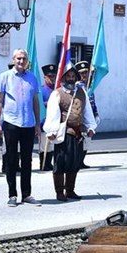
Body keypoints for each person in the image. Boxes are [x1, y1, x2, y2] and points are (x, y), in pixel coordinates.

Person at [0, 49, 42, 207]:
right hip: (11, 123)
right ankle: (12, 194)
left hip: (28, 123)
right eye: (19, 58)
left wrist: (37, 124)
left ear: (27, 60)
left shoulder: (32, 77)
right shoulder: (5, 76)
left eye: (24, 58)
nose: (21, 61)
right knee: (11, 160)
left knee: (27, 160)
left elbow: (35, 101)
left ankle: (27, 194)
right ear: (13, 60)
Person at [43, 63, 97, 201]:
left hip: (78, 133)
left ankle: (70, 190)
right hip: (63, 133)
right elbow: (53, 114)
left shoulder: (81, 93)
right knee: (61, 162)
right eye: (69, 76)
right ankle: (59, 192)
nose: (71, 78)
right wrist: (51, 130)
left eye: (73, 76)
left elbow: (87, 111)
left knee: (74, 163)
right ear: (64, 77)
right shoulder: (57, 94)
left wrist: (91, 127)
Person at [76, 61, 100, 169]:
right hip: (82, 117)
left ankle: (81, 161)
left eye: (86, 72)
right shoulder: (77, 87)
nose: (84, 75)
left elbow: (92, 102)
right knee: (80, 141)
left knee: (87, 141)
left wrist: (96, 113)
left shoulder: (89, 86)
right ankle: (77, 161)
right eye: (82, 73)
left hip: (90, 117)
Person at [38, 64, 58, 171]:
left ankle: (49, 163)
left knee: (52, 145)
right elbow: (39, 104)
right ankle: (44, 163)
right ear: (45, 77)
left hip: (54, 122)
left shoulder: (57, 90)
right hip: (44, 121)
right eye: (49, 77)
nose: (52, 79)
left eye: (53, 76)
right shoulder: (41, 91)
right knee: (43, 145)